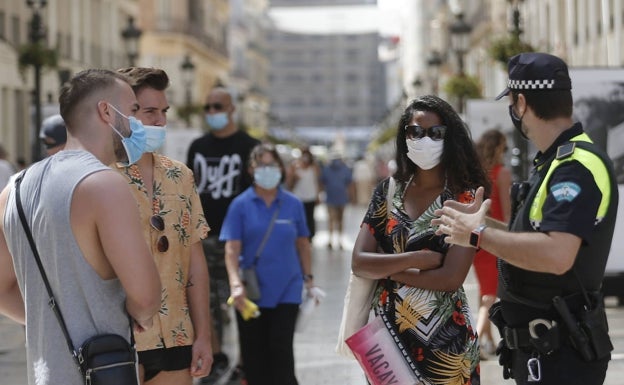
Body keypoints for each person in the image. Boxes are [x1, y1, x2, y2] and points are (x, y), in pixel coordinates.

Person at [434, 52, 618, 385]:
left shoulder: (573, 168)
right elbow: (535, 237)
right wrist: (484, 224)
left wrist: (478, 235)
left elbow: (556, 254)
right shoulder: (555, 164)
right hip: (544, 351)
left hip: (561, 354)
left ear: (521, 103)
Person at [0, 68, 162, 385]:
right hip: (104, 371)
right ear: (106, 111)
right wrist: (139, 315)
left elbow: (1, 290)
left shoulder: (13, 189)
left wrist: (52, 323)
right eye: (131, 112)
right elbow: (146, 298)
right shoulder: (105, 185)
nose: (137, 125)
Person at [351, 95, 487, 384]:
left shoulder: (465, 197)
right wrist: (415, 260)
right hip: (385, 340)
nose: (424, 139)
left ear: (449, 138)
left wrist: (389, 271)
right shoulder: (387, 193)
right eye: (415, 131)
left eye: (436, 133)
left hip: (446, 344)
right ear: (405, 137)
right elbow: (359, 262)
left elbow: (451, 277)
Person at [115, 67, 213, 384]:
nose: (160, 121)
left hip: (176, 335)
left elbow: (194, 262)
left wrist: (204, 336)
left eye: (164, 111)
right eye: (149, 112)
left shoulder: (180, 175)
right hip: (119, 338)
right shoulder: (99, 177)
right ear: (123, 114)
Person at [221, 143, 313, 385]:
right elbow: (231, 249)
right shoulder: (240, 205)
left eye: (271, 165)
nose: (267, 170)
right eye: (261, 165)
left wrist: (309, 279)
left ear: (281, 169)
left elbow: (303, 244)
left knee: (281, 351)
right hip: (250, 292)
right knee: (254, 356)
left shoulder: (293, 204)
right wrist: (234, 284)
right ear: (251, 169)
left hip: (288, 289)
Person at [186, 86, 260, 382]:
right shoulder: (198, 146)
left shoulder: (249, 146)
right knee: (205, 300)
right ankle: (215, 356)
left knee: (244, 300)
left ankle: (246, 361)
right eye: (208, 107)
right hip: (204, 238)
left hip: (239, 240)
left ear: (232, 109)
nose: (212, 112)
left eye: (218, 106)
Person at [473, 128, 512, 358]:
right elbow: (507, 213)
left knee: (484, 290)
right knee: (490, 294)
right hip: (496, 237)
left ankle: (488, 338)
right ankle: (475, 341)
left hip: (477, 237)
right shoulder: (502, 173)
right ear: (497, 148)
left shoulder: (476, 173)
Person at [319, 151, 354, 249]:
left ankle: (334, 240)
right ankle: (337, 240)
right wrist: (352, 197)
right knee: (339, 220)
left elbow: (322, 183)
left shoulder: (327, 169)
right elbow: (350, 184)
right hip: (339, 198)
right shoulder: (345, 169)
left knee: (332, 219)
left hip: (333, 197)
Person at [286, 147, 320, 240]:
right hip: (298, 197)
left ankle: (309, 236)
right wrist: (294, 176)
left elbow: (316, 182)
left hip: (310, 197)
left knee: (310, 217)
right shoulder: (295, 166)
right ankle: (299, 235)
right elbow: (289, 183)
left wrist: (317, 195)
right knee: (299, 217)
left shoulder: (314, 167)